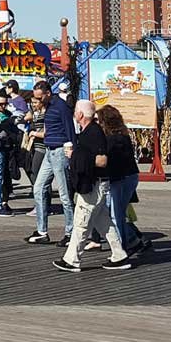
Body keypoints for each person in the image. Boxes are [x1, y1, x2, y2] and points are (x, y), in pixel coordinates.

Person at [54, 100, 132, 272]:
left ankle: (72, 260)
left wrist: (75, 156)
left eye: (75, 111)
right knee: (103, 221)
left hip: (93, 185)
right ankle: (119, 256)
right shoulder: (87, 132)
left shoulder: (93, 133)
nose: (74, 114)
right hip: (94, 184)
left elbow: (102, 161)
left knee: (81, 222)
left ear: (80, 114)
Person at [26, 79, 76, 245]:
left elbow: (70, 128)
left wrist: (72, 150)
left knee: (64, 195)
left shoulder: (61, 107)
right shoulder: (48, 106)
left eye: (40, 98)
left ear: (48, 94)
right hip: (49, 150)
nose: (38, 101)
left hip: (60, 151)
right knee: (38, 187)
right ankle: (42, 231)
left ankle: (70, 232)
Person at [95, 105, 145, 254]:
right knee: (119, 213)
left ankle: (121, 249)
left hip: (120, 178)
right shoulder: (122, 135)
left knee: (116, 215)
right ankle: (130, 241)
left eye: (99, 120)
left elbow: (109, 160)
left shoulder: (112, 139)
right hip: (129, 176)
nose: (97, 123)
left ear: (105, 121)